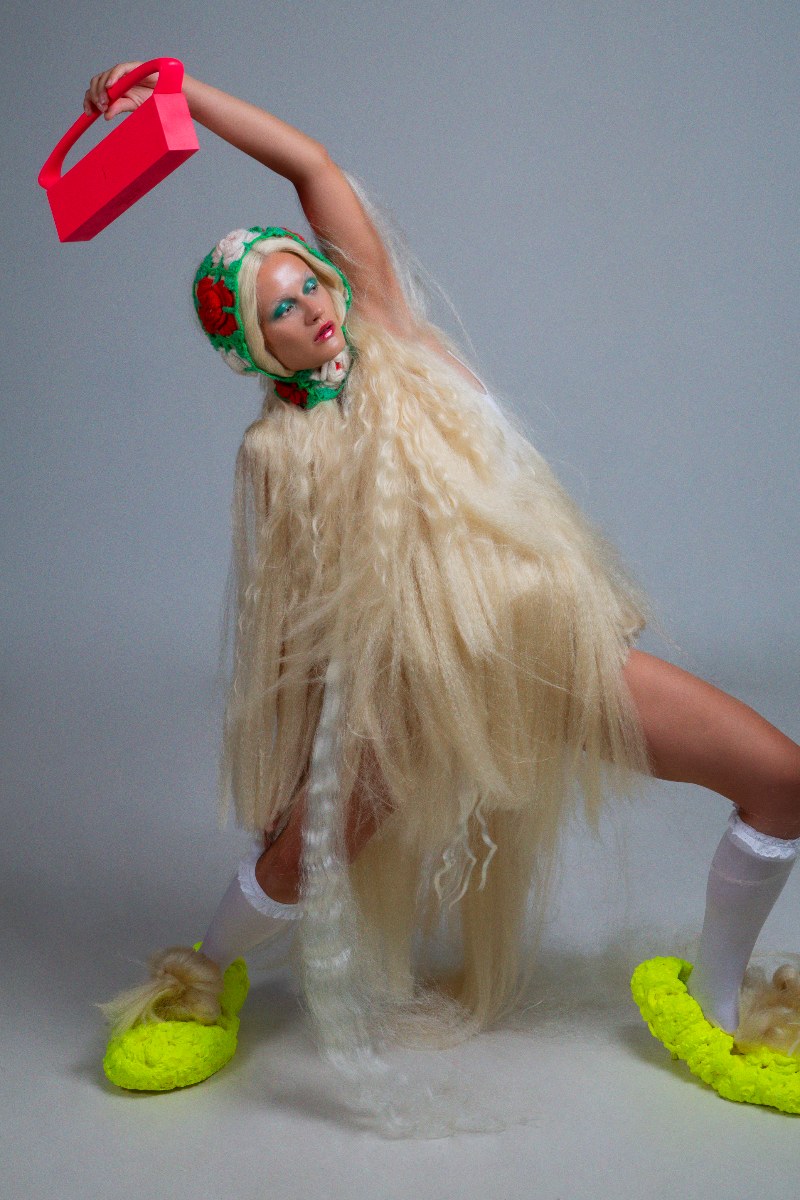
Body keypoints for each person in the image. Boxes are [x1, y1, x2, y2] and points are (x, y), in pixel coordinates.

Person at [85, 62, 800, 1116]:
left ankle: (717, 1001)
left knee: (778, 779)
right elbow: (298, 627)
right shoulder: (281, 456)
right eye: (278, 310)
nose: (309, 308)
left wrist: (182, 95)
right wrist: (305, 758)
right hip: (411, 699)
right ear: (255, 347)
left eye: (307, 282)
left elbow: (310, 166)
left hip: (548, 657)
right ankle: (199, 980)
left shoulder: (392, 329)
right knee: (299, 857)